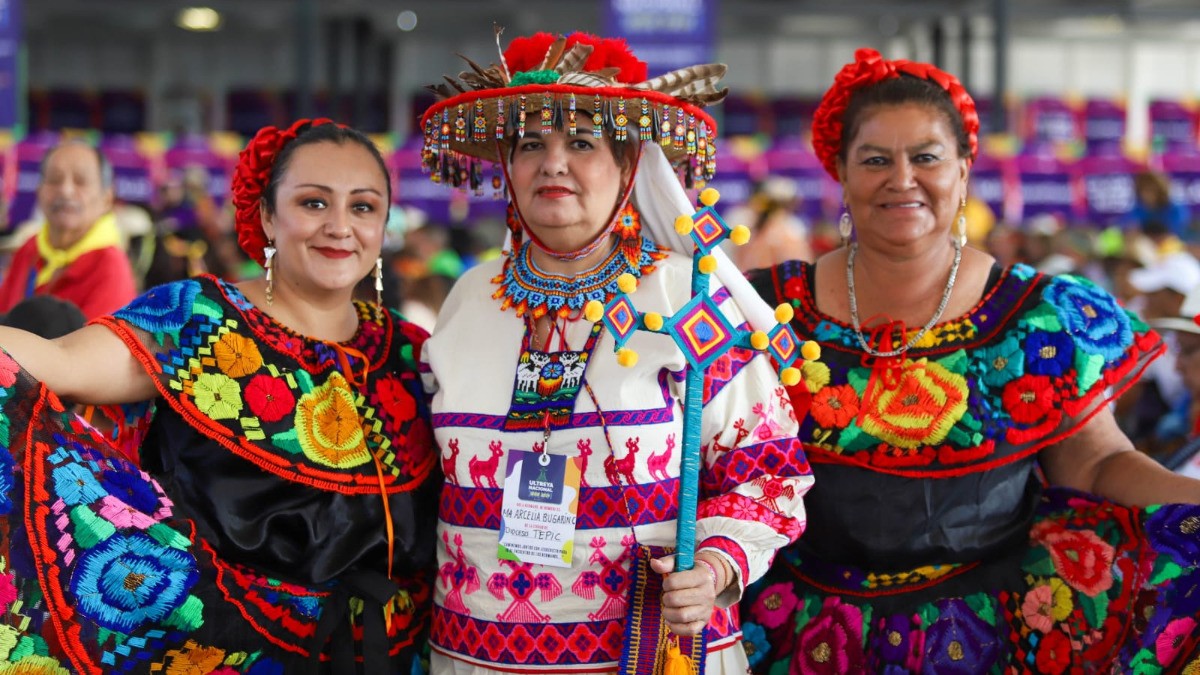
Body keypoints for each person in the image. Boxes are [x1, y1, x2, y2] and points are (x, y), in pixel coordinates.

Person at [741, 49, 1200, 673]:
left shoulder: (1038, 317)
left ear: (963, 172)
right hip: (794, 629)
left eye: (925, 157)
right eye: (875, 159)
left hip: (989, 631)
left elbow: (1097, 461)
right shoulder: (758, 308)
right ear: (841, 175)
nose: (901, 178)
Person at [418, 31, 814, 674]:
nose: (553, 164)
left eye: (581, 143)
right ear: (506, 166)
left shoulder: (689, 296)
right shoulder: (469, 299)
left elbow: (770, 474)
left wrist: (715, 565)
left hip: (650, 651)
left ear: (629, 165)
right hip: (474, 656)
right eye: (529, 145)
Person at [0, 119, 439, 673]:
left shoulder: (414, 354)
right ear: (267, 217)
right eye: (313, 203)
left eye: (363, 207)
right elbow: (58, 361)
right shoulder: (198, 318)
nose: (339, 227)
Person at [0, 140, 137, 319]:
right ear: (39, 191)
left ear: (107, 197)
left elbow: (93, 346)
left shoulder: (110, 265)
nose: (65, 191)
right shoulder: (30, 248)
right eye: (54, 180)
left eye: (80, 181)